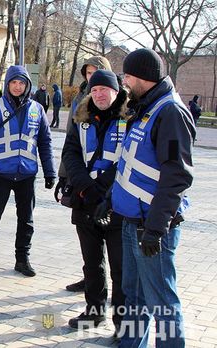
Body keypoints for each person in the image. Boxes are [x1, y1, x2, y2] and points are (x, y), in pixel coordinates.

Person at [111, 48, 195, 346]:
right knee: (134, 298)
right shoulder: (145, 106)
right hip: (132, 221)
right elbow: (134, 163)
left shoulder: (169, 112)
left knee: (162, 304)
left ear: (142, 78)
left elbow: (177, 177)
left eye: (128, 77)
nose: (124, 83)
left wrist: (156, 229)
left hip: (151, 228)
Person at [62, 70, 127, 335]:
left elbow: (127, 160)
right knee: (91, 263)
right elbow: (70, 153)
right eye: (95, 89)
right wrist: (87, 189)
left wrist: (102, 191)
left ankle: (122, 323)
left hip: (116, 204)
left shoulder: (130, 118)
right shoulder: (81, 117)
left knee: (120, 269)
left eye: (104, 89)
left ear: (116, 91)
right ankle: (94, 311)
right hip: (85, 201)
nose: (99, 94)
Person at [0, 65, 56, 277]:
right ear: (7, 84)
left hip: (26, 175)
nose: (18, 86)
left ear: (27, 85)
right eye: (14, 82)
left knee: (26, 220)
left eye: (22, 83)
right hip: (0, 175)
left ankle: (22, 259)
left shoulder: (37, 110)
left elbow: (45, 143)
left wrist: (50, 172)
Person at [54, 55, 112, 293]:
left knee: (110, 241)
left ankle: (111, 287)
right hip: (82, 182)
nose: (91, 78)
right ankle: (91, 281)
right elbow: (71, 144)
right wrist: (64, 176)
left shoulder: (120, 104)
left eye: (96, 73)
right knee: (89, 243)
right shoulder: (80, 99)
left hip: (108, 189)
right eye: (88, 74)